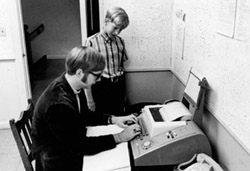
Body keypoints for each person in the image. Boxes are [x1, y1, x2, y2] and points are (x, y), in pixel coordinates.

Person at [31, 46, 141, 171]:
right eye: (97, 76)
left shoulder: (72, 84)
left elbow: (84, 115)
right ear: (79, 73)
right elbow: (79, 146)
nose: (99, 80)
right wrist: (119, 137)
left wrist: (114, 120)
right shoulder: (58, 105)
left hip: (67, 146)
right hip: (55, 162)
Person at [84, 7, 129, 116]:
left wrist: (124, 94)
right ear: (106, 21)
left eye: (121, 29)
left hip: (118, 86)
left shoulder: (120, 42)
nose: (117, 32)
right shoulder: (91, 42)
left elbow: (121, 66)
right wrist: (90, 100)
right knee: (103, 120)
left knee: (119, 118)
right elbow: (87, 74)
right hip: (101, 88)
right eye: (115, 28)